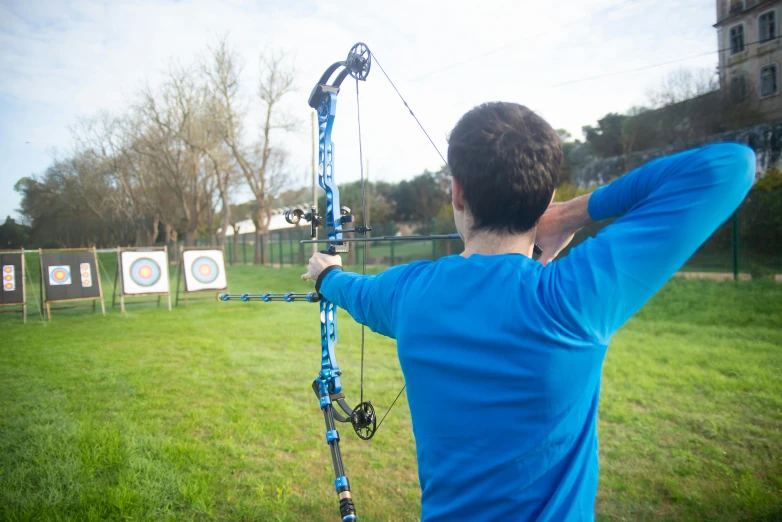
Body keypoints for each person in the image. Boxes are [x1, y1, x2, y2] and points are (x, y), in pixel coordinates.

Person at [301, 102, 755, 521]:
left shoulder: (409, 292)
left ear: (457, 193)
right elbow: (730, 167)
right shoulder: (571, 299)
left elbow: (352, 291)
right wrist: (577, 212)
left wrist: (326, 273)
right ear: (546, 197)